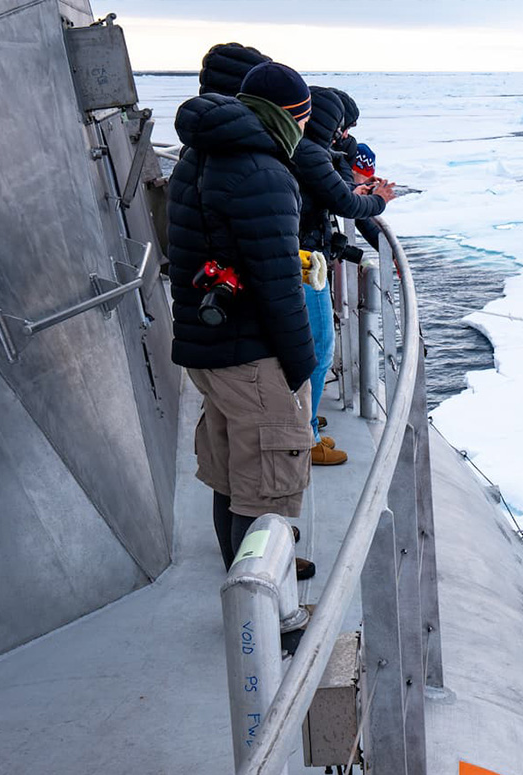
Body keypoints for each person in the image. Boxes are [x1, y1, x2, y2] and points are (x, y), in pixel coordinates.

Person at [168, 61, 319, 579]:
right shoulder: (264, 172)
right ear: (292, 116)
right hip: (250, 353)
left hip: (206, 344)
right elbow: (279, 284)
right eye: (305, 117)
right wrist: (302, 364)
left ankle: (243, 577)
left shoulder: (200, 153)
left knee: (233, 474)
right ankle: (263, 611)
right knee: (265, 484)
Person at [292, 86, 398, 464]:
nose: (345, 135)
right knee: (319, 350)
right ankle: (304, 436)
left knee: (308, 349)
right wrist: (378, 198)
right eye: (341, 127)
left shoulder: (304, 153)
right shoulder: (311, 155)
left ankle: (303, 420)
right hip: (307, 266)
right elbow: (346, 203)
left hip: (305, 260)